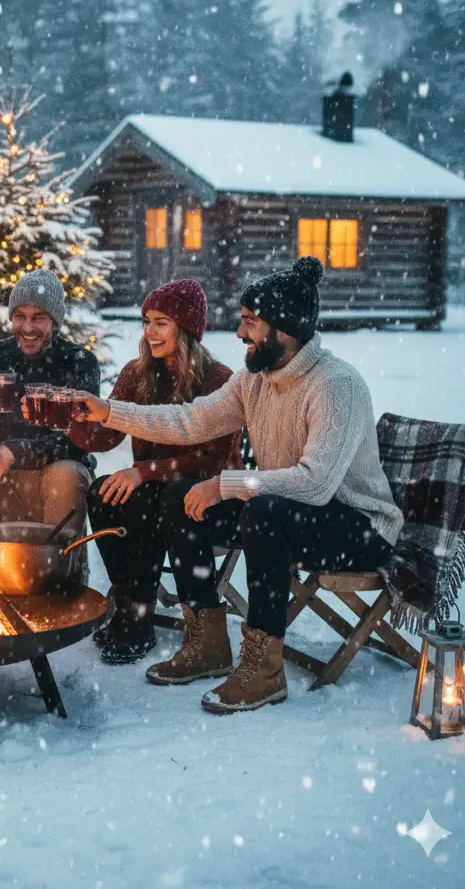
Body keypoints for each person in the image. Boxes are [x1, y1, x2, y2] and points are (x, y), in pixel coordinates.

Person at [73, 257, 403, 712]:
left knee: (264, 511)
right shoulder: (254, 381)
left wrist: (225, 485)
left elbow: (316, 484)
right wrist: (110, 412)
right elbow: (191, 421)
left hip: (357, 527)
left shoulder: (336, 385)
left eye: (250, 322)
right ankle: (207, 642)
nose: (239, 333)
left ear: (284, 329)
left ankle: (263, 671)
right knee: (182, 497)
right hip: (288, 511)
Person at [69, 280, 239, 665]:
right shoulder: (137, 373)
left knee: (146, 502)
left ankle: (140, 612)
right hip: (152, 486)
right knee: (102, 493)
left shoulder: (218, 379)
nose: (150, 332)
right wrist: (73, 418)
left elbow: (213, 460)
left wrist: (145, 472)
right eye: (147, 321)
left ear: (187, 328)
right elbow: (106, 436)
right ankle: (128, 598)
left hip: (206, 492)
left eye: (161, 323)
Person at [0, 271, 101, 545]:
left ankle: (58, 564)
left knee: (65, 474)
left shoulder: (78, 362)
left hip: (56, 475)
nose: (28, 328)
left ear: (54, 320)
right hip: (1, 480)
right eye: (20, 316)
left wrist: (13, 452)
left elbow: (79, 442)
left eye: (38, 317)